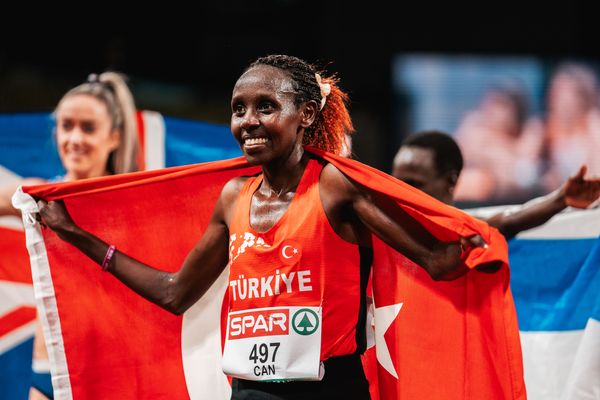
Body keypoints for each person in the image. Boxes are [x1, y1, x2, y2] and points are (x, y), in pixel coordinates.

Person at [34, 55, 490, 400]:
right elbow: (175, 293)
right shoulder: (234, 196)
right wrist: (76, 235)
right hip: (251, 392)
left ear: (306, 114)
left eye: (266, 107)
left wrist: (476, 245)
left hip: (330, 390)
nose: (248, 122)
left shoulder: (334, 187)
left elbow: (436, 261)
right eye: (239, 109)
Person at [0, 71, 140, 399]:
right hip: (47, 369)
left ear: (114, 137)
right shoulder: (34, 194)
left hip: (111, 372)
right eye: (67, 125)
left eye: (88, 128)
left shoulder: (133, 203)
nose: (74, 138)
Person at [392, 130, 600, 238]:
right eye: (396, 182)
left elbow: (509, 221)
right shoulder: (381, 228)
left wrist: (561, 199)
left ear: (450, 181)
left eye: (413, 183)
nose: (402, 192)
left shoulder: (465, 234)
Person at [453, 82, 545, 203]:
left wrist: (490, 151)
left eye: (500, 105)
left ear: (516, 111)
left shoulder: (530, 130)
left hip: (512, 202)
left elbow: (522, 177)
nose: (491, 111)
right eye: (489, 104)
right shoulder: (473, 126)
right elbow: (457, 159)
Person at [541, 62, 600, 191]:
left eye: (562, 91)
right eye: (554, 90)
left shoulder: (593, 124)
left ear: (581, 97)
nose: (553, 96)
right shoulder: (548, 126)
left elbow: (595, 174)